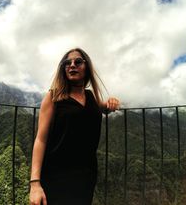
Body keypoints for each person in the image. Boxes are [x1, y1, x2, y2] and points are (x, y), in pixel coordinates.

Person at [29, 47, 120, 205]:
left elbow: (98, 108)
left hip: (86, 175)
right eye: (67, 63)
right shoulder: (53, 97)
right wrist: (35, 183)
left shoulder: (91, 96)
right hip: (56, 175)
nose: (72, 65)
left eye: (78, 62)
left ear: (87, 67)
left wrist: (110, 103)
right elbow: (41, 140)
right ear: (63, 69)